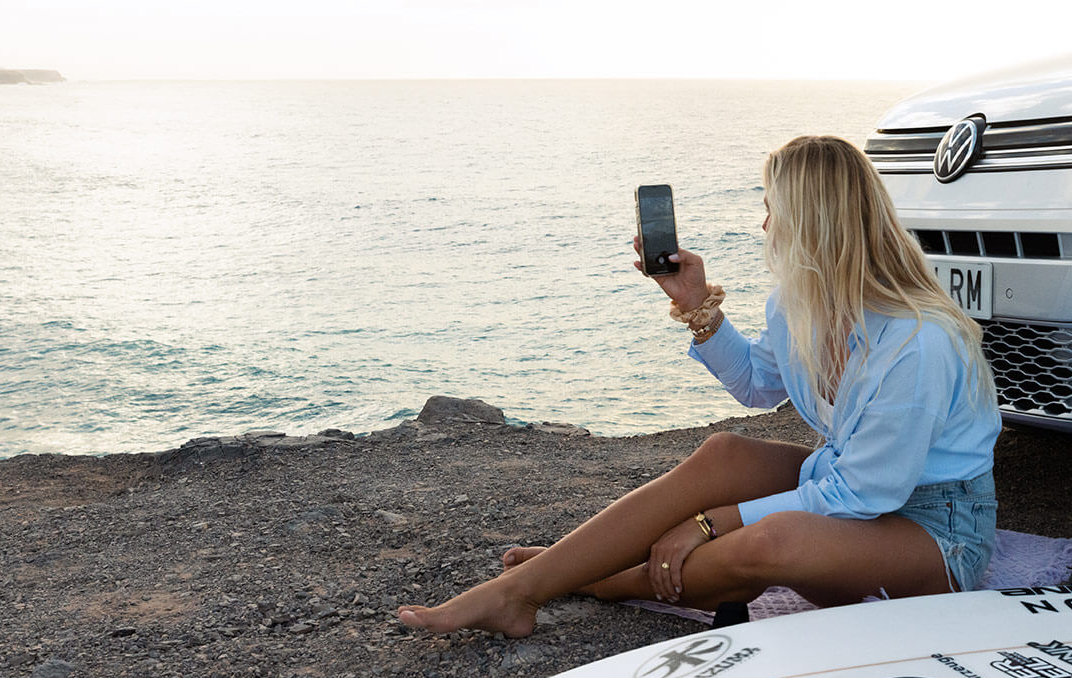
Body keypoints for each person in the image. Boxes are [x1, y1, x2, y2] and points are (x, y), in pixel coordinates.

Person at [396, 135, 1000, 638]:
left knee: (773, 538)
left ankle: (598, 579)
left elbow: (866, 495)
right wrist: (695, 306)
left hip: (935, 527)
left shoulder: (918, 343)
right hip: (847, 484)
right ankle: (520, 591)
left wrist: (711, 524)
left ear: (813, 222)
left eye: (774, 208)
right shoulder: (800, 304)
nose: (765, 224)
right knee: (725, 454)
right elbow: (761, 386)